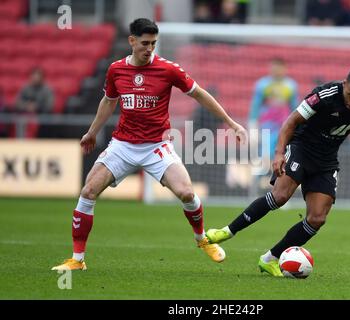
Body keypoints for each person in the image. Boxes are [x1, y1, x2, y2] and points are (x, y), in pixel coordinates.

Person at [51, 18, 247, 271]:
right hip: (122, 145)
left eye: (153, 43)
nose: (149, 48)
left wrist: (231, 123)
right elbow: (109, 101)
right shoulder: (116, 70)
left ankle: (202, 240)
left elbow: (199, 94)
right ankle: (77, 260)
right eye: (144, 43)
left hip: (156, 147)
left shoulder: (168, 69)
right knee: (88, 192)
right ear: (131, 41)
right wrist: (92, 132)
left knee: (187, 193)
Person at [206, 68, 350, 276]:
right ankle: (227, 231)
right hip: (301, 149)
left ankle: (270, 259)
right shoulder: (323, 96)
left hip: (326, 160)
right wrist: (279, 154)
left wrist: (340, 132)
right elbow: (291, 122)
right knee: (280, 196)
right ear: (344, 84)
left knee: (317, 218)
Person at [249, 58, 298, 173]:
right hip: (268, 125)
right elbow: (255, 105)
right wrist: (252, 124)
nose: (276, 71)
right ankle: (259, 181)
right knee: (265, 155)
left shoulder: (290, 86)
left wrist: (297, 124)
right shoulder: (262, 85)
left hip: (284, 125)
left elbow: (294, 107)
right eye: (274, 68)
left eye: (279, 68)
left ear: (284, 69)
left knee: (284, 153)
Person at [15, 67, 54, 137]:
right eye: (34, 77)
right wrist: (27, 106)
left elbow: (49, 106)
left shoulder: (47, 90)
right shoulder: (26, 88)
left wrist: (36, 107)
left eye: (37, 77)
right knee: (20, 119)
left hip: (42, 117)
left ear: (42, 78)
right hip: (26, 116)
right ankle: (21, 143)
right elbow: (17, 103)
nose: (35, 79)